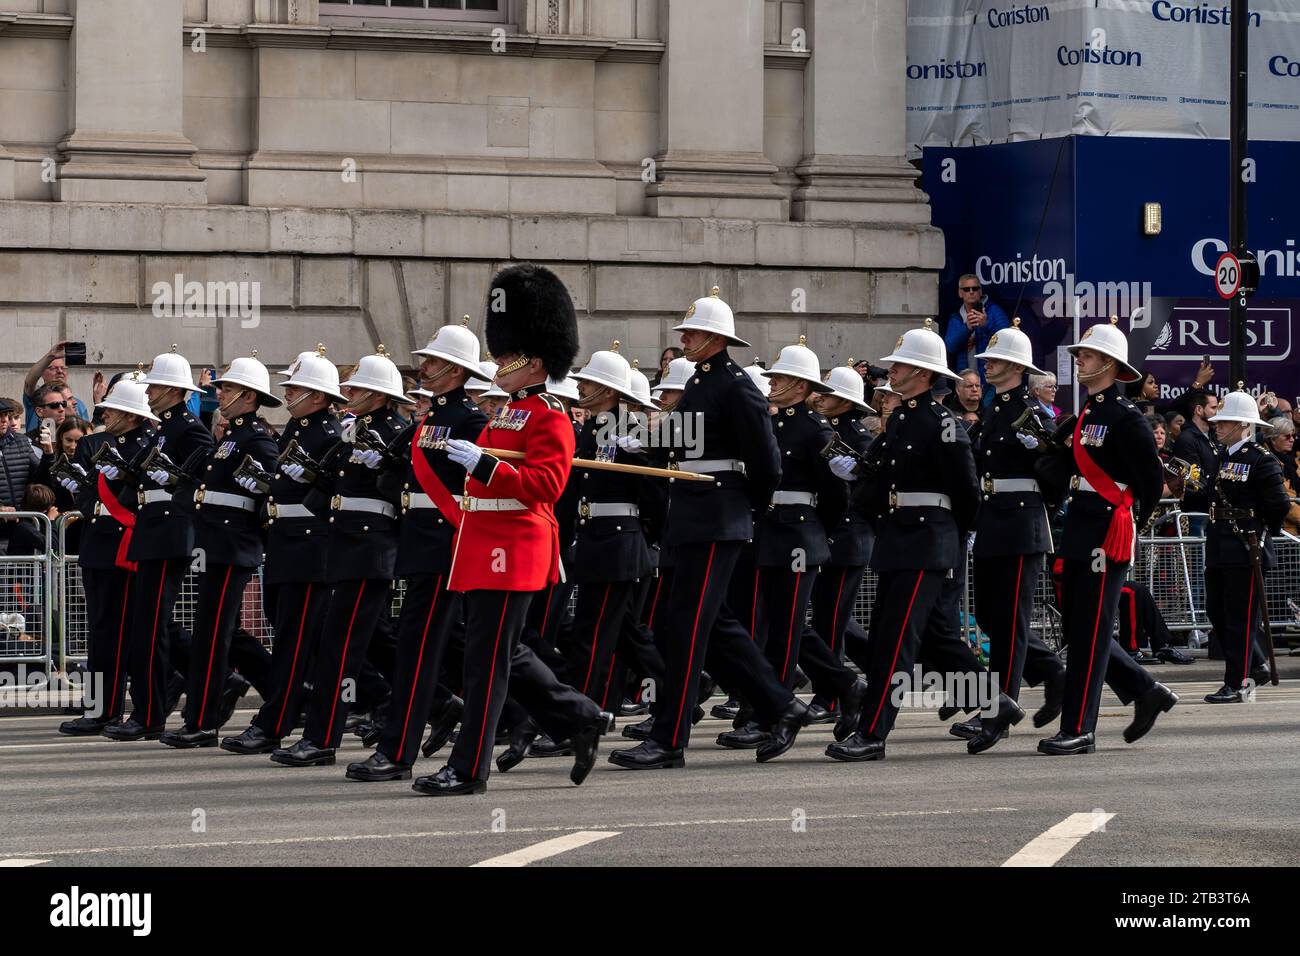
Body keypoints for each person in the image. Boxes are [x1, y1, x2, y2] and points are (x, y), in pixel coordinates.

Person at [414, 263, 612, 796]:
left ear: (537, 362)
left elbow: (546, 484)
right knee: (503, 653)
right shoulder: (509, 413)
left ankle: (469, 767)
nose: (499, 363)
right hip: (483, 544)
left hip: (514, 549)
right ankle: (580, 717)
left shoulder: (550, 415)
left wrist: (481, 465)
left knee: (486, 663)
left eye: (509, 356)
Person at [608, 287, 809, 771]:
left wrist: (747, 511)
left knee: (687, 630)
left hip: (717, 518)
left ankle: (669, 736)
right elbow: (685, 440)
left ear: (717, 337)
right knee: (709, 625)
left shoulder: (736, 385)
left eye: (695, 331)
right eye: (686, 330)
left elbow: (766, 462)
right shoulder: (700, 381)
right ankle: (783, 706)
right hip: (693, 518)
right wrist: (646, 447)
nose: (686, 337)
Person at [825, 319, 980, 762]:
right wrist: (855, 478)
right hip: (899, 538)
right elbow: (879, 479)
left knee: (894, 641)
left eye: (904, 366)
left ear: (926, 375)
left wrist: (955, 536)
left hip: (929, 540)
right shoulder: (900, 422)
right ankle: (997, 703)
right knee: (934, 637)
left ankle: (873, 732)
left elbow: (966, 491)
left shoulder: (944, 423)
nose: (893, 372)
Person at [341, 324, 489, 781]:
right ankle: (555, 715)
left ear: (454, 370)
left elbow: (479, 486)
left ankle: (398, 751)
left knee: (420, 649)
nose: (422, 367)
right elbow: (399, 481)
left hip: (445, 544)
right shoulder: (425, 421)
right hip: (418, 541)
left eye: (431, 361)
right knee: (420, 646)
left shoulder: (470, 421)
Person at [1033, 318, 1177, 755]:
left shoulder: (1126, 417)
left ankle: (1079, 728)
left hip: (1106, 531)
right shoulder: (1087, 414)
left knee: (1092, 631)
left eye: (1089, 355)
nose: (1080, 360)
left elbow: (1150, 483)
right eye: (1080, 354)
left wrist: (1128, 521)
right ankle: (1145, 689)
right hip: (1080, 525)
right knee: (1081, 628)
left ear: (1111, 364)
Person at [270, 346, 412, 767]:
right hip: (345, 546)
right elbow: (334, 487)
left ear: (381, 394)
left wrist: (384, 465)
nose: (350, 392)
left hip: (370, 548)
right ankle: (438, 705)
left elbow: (399, 493)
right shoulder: (356, 429)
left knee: (342, 650)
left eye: (361, 387)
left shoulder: (394, 433)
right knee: (341, 646)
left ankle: (321, 738)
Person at [222, 348, 347, 755]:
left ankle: (273, 723)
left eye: (296, 387)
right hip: (286, 544)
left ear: (317, 396)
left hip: (310, 550)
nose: (287, 392)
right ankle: (296, 712)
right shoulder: (297, 428)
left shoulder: (329, 434)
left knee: (294, 645)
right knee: (293, 639)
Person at [159, 355, 280, 749]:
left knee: (212, 635)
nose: (220, 393)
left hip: (233, 545)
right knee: (220, 633)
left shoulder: (256, 439)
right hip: (217, 545)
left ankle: (203, 721)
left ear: (247, 396)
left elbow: (268, 497)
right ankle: (289, 692)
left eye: (226, 389)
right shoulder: (231, 438)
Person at [960, 319, 1067, 753]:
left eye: (997, 360)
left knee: (1010, 622)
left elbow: (1056, 476)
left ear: (1018, 366)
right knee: (991, 616)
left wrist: (1040, 452)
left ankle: (997, 711)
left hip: (1021, 524)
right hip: (993, 520)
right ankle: (1053, 673)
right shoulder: (996, 407)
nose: (988, 365)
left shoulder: (1032, 413)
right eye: (987, 359)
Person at [102, 348, 214, 742]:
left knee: (150, 628)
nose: (147, 392)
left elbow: (202, 475)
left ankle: (149, 713)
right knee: (147, 625)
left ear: (172, 389)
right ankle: (149, 710)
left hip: (169, 530)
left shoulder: (186, 427)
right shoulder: (167, 428)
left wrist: (174, 483)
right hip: (153, 529)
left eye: (154, 386)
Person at [1202, 391, 1291, 703]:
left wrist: (1264, 530)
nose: (1217, 425)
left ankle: (1239, 682)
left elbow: (1279, 504)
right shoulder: (1222, 456)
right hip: (1219, 546)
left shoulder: (1261, 460)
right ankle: (1255, 663)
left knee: (1240, 618)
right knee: (1218, 612)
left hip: (1245, 547)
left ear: (1241, 424)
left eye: (1223, 421)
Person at [943, 274, 1009, 393]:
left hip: (991, 380)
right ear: (960, 293)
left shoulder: (994, 311)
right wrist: (967, 328)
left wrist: (985, 324)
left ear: (980, 291)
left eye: (975, 288)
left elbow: (1006, 341)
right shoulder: (956, 318)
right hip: (966, 380)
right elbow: (950, 347)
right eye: (967, 289)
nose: (971, 292)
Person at [1170, 389, 1221, 523]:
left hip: (1213, 507)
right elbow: (1193, 479)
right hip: (1196, 513)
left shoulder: (1214, 436)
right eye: (1213, 408)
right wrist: (1218, 494)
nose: (1217, 413)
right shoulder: (1186, 439)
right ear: (1199, 410)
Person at [23, 340, 89, 431]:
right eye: (53, 368)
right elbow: (29, 382)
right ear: (42, 372)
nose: (60, 371)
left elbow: (86, 432)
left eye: (63, 368)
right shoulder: (37, 396)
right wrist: (51, 356)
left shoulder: (78, 404)